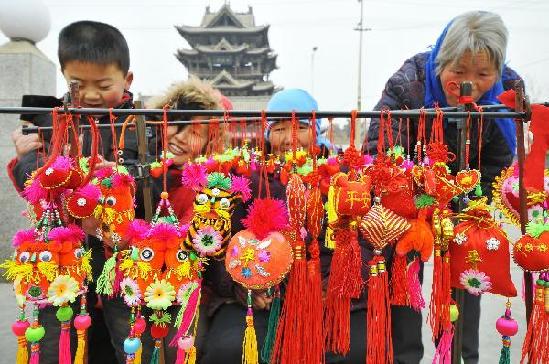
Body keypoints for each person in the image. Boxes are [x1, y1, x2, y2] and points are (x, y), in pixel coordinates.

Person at [365, 11, 520, 364]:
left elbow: (498, 160)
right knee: (404, 260)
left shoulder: (508, 89)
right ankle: (405, 356)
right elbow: (382, 150)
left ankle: (462, 355)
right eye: (458, 72)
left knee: (469, 259)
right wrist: (423, 201)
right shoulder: (409, 83)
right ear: (440, 61)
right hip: (413, 193)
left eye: (483, 74)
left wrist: (467, 199)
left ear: (497, 69)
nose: (471, 84)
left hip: (468, 190)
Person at [7, 20, 137, 364]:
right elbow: (29, 180)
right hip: (61, 256)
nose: (91, 94)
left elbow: (153, 181)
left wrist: (120, 180)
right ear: (64, 76)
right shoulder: (47, 120)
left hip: (121, 257)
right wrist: (28, 159)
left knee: (127, 342)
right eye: (78, 83)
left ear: (127, 80)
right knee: (58, 342)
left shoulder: (142, 125)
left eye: (104, 84)